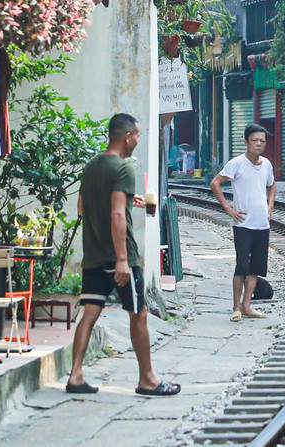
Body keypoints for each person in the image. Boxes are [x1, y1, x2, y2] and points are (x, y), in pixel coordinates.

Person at [67, 113, 180, 397]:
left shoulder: (92, 166)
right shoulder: (123, 168)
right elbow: (117, 213)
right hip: (121, 257)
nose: (137, 141)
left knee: (90, 313)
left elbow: (83, 207)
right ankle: (148, 379)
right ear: (127, 137)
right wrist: (121, 259)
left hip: (93, 255)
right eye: (138, 136)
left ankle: (76, 375)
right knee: (138, 313)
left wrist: (129, 200)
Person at [211, 124, 277, 322]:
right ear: (246, 142)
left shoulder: (266, 164)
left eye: (262, 141)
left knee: (256, 267)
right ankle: (236, 307)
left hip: (261, 224)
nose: (259, 144)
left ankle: (247, 305)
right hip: (243, 224)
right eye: (255, 140)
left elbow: (272, 184)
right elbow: (215, 183)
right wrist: (228, 208)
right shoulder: (236, 163)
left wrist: (270, 205)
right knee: (241, 266)